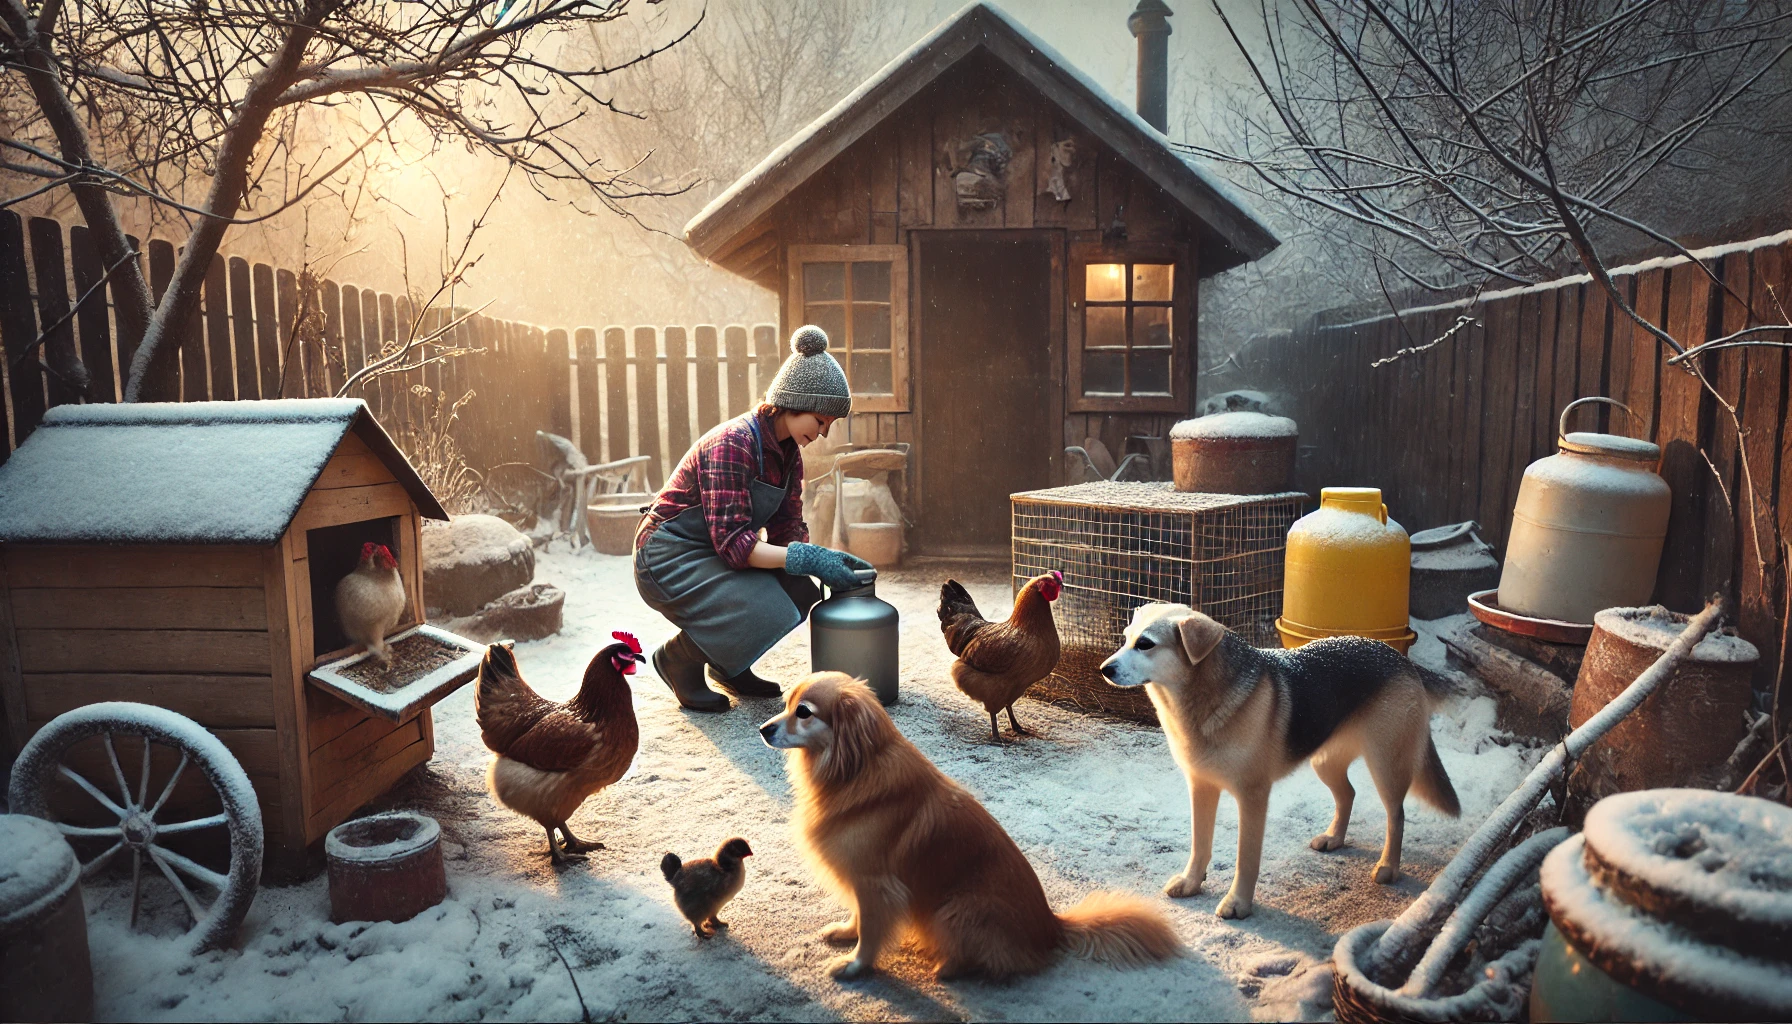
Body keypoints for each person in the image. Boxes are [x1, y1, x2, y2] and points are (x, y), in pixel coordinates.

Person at [635, 325, 873, 711]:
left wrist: (824, 560)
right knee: (770, 606)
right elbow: (734, 547)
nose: (825, 434)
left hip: (712, 550)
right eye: (821, 420)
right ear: (794, 402)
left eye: (830, 425)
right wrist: (805, 559)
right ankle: (679, 660)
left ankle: (729, 663)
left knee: (800, 592)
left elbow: (786, 531)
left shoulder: (789, 454)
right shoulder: (733, 444)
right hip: (666, 556)